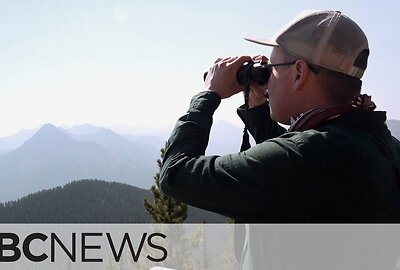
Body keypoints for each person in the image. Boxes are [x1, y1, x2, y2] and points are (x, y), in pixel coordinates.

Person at [159, 9, 400, 223]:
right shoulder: (383, 144)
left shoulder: (304, 158)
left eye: (271, 69)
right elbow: (291, 174)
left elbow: (177, 174)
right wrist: (258, 107)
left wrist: (209, 94)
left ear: (299, 73)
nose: (267, 79)